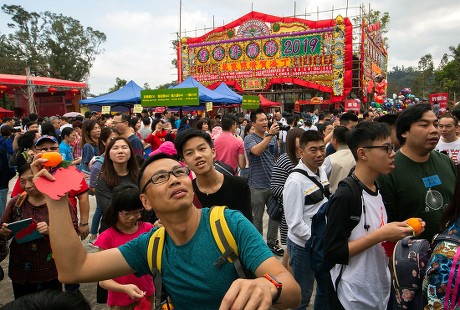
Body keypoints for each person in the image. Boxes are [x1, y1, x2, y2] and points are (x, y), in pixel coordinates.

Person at [30, 153, 301, 309]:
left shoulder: (228, 223)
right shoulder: (151, 245)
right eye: (160, 178)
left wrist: (268, 286)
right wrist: (55, 199)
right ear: (145, 202)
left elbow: (291, 289)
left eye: (179, 172)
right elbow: (74, 270)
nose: (173, 178)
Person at [324, 121, 422, 310]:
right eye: (386, 148)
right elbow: (333, 252)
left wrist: (400, 228)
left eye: (392, 147)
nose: (392, 153)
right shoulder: (346, 195)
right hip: (352, 296)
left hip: (378, 290)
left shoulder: (378, 188)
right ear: (362, 153)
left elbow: (376, 230)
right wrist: (382, 234)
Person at [378, 103, 457, 240]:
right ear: (404, 132)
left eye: (435, 124)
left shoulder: (446, 162)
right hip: (409, 256)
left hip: (448, 254)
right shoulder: (387, 170)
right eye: (424, 125)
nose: (434, 130)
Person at [0, 164, 78, 299]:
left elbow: (74, 231)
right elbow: (3, 229)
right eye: (22, 181)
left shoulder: (58, 202)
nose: (27, 185)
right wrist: (5, 232)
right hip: (21, 271)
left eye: (31, 179)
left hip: (50, 270)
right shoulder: (16, 202)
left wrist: (50, 231)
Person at [283, 130, 330, 309]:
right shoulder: (295, 181)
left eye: (321, 148)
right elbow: (294, 223)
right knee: (302, 295)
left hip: (320, 242)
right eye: (313, 150)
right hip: (304, 247)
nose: (319, 154)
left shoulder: (322, 170)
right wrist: (316, 240)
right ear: (301, 152)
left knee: (324, 287)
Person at [94, 185, 155, 309]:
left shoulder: (148, 229)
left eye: (138, 211)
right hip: (120, 300)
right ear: (116, 211)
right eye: (127, 213)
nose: (133, 217)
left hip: (147, 294)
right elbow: (103, 280)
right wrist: (124, 288)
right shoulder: (107, 238)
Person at [174, 129, 252, 221]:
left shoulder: (239, 186)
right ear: (184, 162)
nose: (197, 155)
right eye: (189, 153)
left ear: (213, 152)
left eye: (202, 149)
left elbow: (247, 227)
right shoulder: (186, 192)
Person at [244, 109, 284, 256]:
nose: (265, 122)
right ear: (253, 123)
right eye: (261, 120)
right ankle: (258, 246)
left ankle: (272, 244)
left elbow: (274, 157)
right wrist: (270, 135)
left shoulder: (272, 138)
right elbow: (256, 151)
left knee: (275, 215)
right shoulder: (249, 139)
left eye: (266, 119)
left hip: (273, 184)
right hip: (257, 186)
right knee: (257, 218)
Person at [270, 128, 304, 268]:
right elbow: (275, 187)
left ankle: (285, 273)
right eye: (298, 137)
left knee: (292, 249)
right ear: (291, 140)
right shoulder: (284, 159)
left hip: (305, 211)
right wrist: (296, 194)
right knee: (292, 246)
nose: (302, 139)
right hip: (290, 212)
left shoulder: (306, 158)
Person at [95, 137, 139, 233]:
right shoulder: (102, 180)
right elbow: (108, 209)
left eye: (124, 147)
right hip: (112, 229)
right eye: (115, 148)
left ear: (131, 153)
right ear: (108, 155)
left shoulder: (140, 175)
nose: (120, 151)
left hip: (139, 228)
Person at [88, 127, 120, 244]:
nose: (115, 142)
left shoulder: (121, 160)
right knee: (100, 210)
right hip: (104, 196)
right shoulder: (99, 164)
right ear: (103, 142)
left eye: (117, 139)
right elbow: (92, 185)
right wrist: (103, 193)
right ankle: (93, 235)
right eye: (111, 139)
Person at [322, 126, 356, 193]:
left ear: (335, 140)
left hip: (335, 197)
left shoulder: (330, 159)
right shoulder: (358, 156)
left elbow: (322, 179)